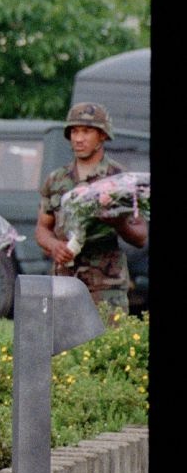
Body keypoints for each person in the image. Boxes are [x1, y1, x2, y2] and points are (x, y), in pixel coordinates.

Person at [34, 102, 147, 321]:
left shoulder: (119, 179)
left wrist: (117, 223)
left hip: (106, 285)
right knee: (63, 350)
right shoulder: (57, 179)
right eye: (74, 131)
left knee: (105, 350)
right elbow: (41, 229)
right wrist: (54, 246)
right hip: (64, 280)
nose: (78, 138)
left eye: (86, 131)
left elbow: (141, 236)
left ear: (103, 135)